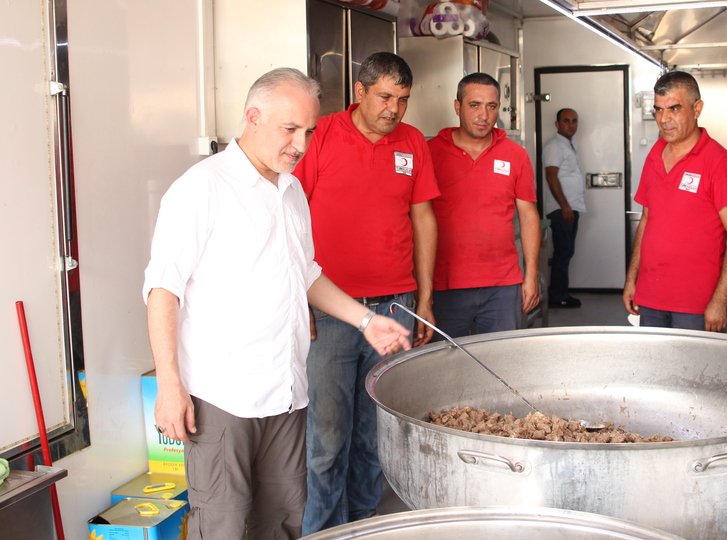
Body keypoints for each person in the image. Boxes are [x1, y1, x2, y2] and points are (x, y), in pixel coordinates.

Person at [143, 68, 411, 540]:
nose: (300, 143)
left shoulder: (289, 192)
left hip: (287, 391)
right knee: (225, 525)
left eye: (307, 130)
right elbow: (163, 289)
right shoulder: (201, 188)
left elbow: (304, 273)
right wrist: (169, 384)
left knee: (285, 521)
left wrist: (365, 319)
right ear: (253, 116)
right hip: (224, 395)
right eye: (290, 129)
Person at [292, 52, 440, 534]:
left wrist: (424, 298)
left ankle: (363, 526)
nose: (394, 109)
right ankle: (323, 531)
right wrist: (300, 298)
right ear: (360, 91)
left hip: (394, 305)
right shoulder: (322, 136)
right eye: (384, 97)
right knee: (327, 441)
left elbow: (423, 220)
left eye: (402, 100)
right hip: (331, 313)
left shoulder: (413, 142)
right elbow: (290, 220)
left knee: (375, 437)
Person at [623, 71, 727, 331]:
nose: (664, 119)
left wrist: (719, 299)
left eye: (674, 109)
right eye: (658, 110)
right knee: (655, 370)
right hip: (651, 297)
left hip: (697, 305)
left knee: (693, 373)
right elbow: (647, 220)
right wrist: (632, 278)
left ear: (697, 108)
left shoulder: (718, 162)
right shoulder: (655, 155)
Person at [428, 73, 540, 337]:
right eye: (474, 105)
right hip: (444, 284)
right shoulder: (430, 153)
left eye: (491, 106)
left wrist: (531, 274)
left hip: (502, 285)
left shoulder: (516, 155)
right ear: (458, 107)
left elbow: (528, 216)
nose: (484, 115)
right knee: (444, 369)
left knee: (500, 366)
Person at [543, 108, 586, 308]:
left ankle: (560, 293)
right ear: (557, 124)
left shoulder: (570, 144)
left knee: (565, 251)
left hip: (569, 208)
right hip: (562, 210)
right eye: (566, 121)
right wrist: (564, 206)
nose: (571, 125)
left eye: (574, 121)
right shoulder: (555, 145)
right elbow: (551, 176)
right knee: (563, 251)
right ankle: (557, 296)